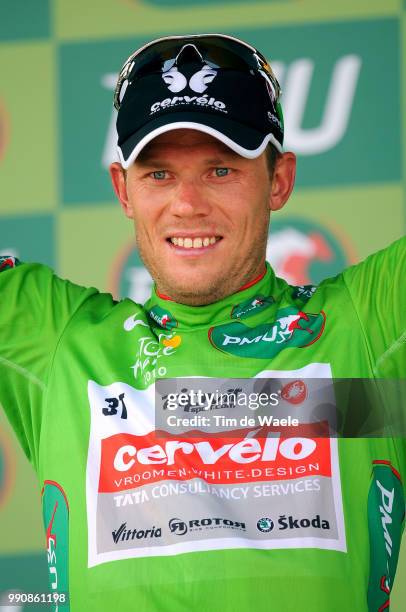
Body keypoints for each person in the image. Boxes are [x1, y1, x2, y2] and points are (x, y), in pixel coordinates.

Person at [0, 33, 405, 612]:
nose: (187, 203)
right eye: (158, 174)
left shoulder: (366, 329)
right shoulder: (60, 345)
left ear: (279, 181)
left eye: (221, 169)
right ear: (123, 189)